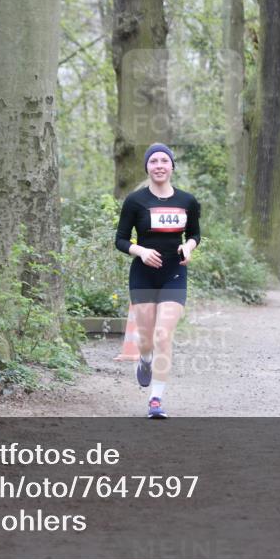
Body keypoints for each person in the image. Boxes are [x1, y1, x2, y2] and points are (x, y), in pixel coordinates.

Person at [115, 143, 201, 418]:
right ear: (147, 167)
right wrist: (140, 250)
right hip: (143, 274)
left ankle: (156, 400)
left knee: (163, 334)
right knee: (146, 338)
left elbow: (195, 234)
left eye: (165, 160)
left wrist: (188, 248)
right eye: (154, 161)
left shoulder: (188, 201)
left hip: (174, 272)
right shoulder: (135, 201)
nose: (160, 165)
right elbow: (120, 239)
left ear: (172, 166)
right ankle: (145, 359)